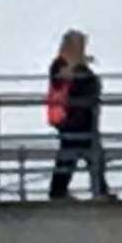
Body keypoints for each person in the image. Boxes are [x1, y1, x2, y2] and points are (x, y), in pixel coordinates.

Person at [47, 30, 115, 201]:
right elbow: (60, 77)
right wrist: (80, 63)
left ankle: (99, 191)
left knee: (94, 158)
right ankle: (58, 192)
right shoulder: (60, 64)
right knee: (68, 158)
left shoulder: (80, 66)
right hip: (72, 119)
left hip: (86, 120)